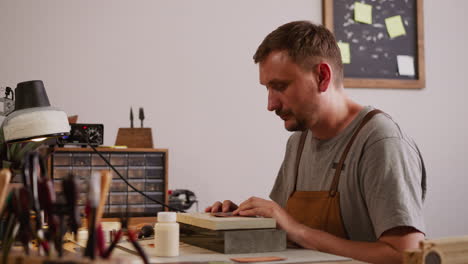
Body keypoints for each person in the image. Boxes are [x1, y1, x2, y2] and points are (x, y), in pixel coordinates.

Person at [205, 21, 426, 264]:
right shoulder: (298, 141)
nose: (270, 104)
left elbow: (406, 256)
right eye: (267, 88)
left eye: (280, 86)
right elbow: (285, 229)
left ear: (322, 76)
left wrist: (296, 229)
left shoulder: (380, 141)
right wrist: (239, 220)